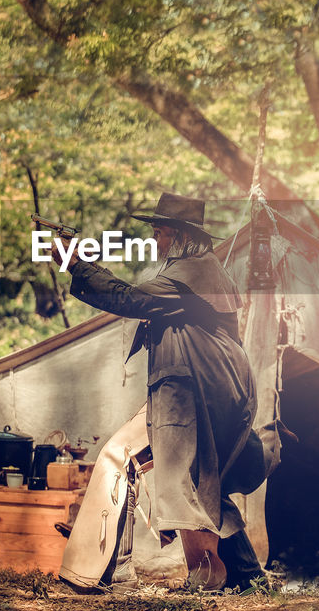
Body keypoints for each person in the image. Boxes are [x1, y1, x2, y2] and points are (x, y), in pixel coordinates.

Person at [59, 192, 268, 591]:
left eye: (160, 233)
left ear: (182, 236)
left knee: (121, 460)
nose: (155, 241)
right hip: (203, 390)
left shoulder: (194, 273)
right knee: (209, 485)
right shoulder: (197, 271)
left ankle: (104, 571)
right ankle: (248, 576)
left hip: (195, 395)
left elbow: (128, 298)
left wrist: (80, 266)